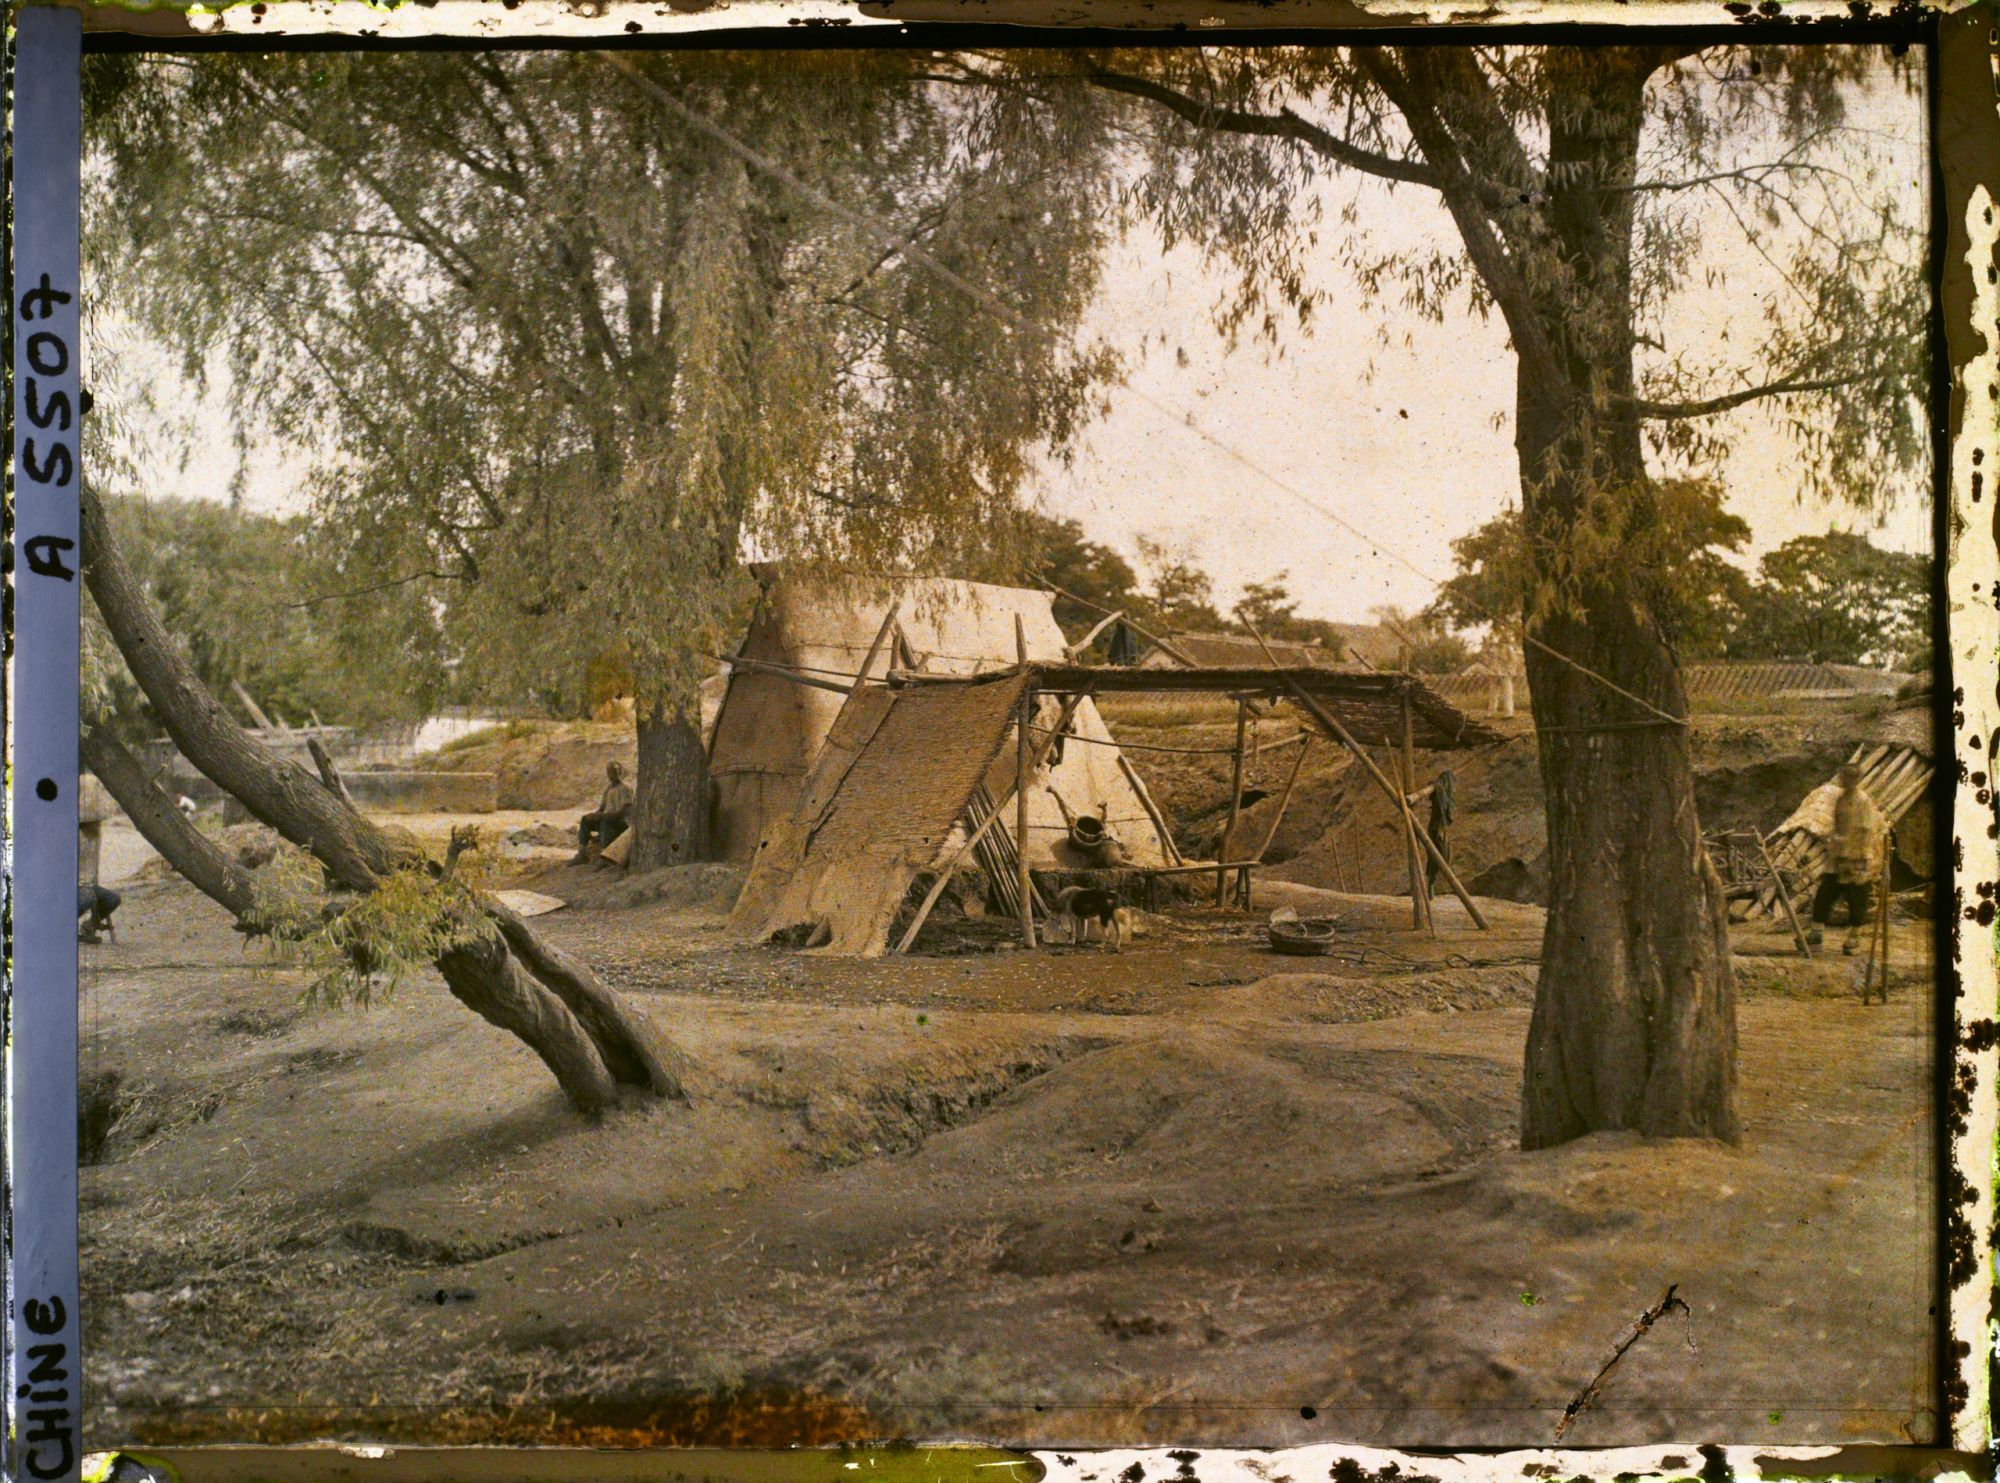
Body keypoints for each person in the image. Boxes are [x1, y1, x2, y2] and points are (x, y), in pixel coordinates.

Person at [1808, 763, 1885, 954]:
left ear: (1857, 779)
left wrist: (1857, 853)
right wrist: (1834, 841)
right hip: (1838, 857)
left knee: (1857, 899)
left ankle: (1853, 940)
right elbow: (1839, 824)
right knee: (1825, 894)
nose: (1846, 781)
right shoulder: (1842, 799)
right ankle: (1816, 936)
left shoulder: (1863, 801)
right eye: (1844, 777)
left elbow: (1867, 830)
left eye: (1850, 778)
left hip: (1857, 856)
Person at [78, 774, 121, 943]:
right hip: (72, 887)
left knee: (113, 898)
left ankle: (90, 925)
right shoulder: (73, 835)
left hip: (86, 885)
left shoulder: (94, 836)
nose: (98, 824)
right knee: (88, 897)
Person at [572, 759, 633, 862]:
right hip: (609, 819)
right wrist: (594, 815)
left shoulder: (625, 788)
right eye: (610, 772)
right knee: (585, 819)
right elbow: (602, 808)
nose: (612, 775)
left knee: (605, 821)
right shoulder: (608, 788)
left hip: (622, 823)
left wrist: (602, 816)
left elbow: (622, 813)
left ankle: (605, 857)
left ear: (620, 772)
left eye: (615, 772)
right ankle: (582, 852)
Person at [1424, 769, 1456, 892]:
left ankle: (1431, 884)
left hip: (1439, 827)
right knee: (1435, 855)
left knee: (1440, 854)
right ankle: (1431, 884)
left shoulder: (1442, 793)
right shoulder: (1439, 794)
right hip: (1436, 827)